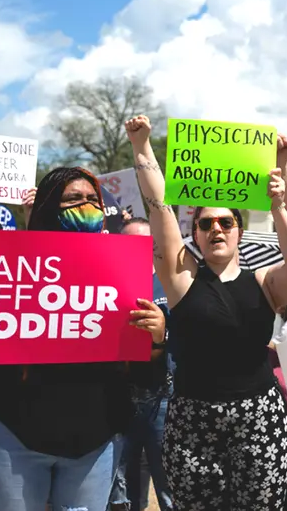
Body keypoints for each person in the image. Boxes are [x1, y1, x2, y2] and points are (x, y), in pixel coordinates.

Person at [0, 106, 166, 511]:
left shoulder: (120, 270)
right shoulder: (10, 258)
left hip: (93, 440)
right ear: (46, 208)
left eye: (93, 199)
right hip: (12, 432)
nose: (85, 206)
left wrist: (158, 333)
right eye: (72, 199)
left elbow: (143, 369)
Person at [127, 114, 287, 510]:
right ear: (194, 234)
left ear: (239, 231)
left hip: (259, 418)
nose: (216, 229)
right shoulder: (182, 280)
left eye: (226, 221)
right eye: (206, 222)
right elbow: (160, 212)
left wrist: (278, 206)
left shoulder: (265, 280)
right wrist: (141, 147)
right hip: (192, 421)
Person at [111, 216, 175, 511]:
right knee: (121, 489)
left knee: (169, 487)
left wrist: (161, 335)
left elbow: (188, 336)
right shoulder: (104, 283)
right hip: (117, 399)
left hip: (162, 400)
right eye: (127, 241)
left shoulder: (170, 282)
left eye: (142, 242)